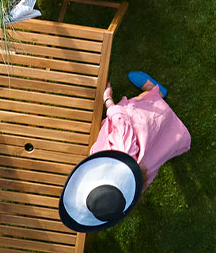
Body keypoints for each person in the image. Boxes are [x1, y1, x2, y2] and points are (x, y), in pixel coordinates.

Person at [59, 71, 191, 233]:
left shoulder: (132, 189)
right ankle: (153, 92)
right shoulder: (122, 150)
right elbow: (122, 126)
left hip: (147, 153)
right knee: (135, 108)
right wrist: (109, 101)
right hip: (141, 127)